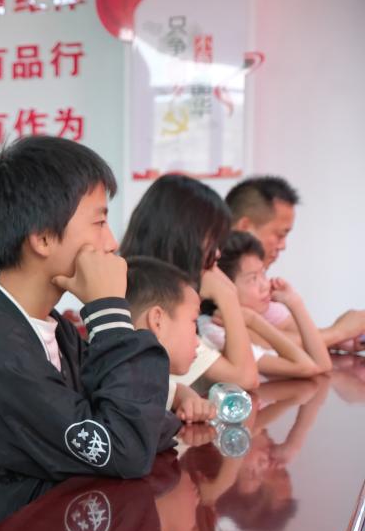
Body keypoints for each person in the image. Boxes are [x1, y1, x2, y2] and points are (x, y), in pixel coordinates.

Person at [0, 136, 179, 526]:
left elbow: (144, 425)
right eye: (99, 222)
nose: (111, 243)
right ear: (43, 238)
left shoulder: (53, 328)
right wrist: (108, 310)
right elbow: (127, 447)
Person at [120, 173, 259, 391]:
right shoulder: (157, 304)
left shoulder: (131, 285)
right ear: (183, 238)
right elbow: (245, 379)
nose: (217, 253)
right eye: (212, 242)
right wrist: (228, 296)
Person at [227, 175, 365, 350]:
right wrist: (339, 332)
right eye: (280, 235)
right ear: (245, 227)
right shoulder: (214, 280)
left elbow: (295, 335)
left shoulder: (258, 288)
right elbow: (261, 344)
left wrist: (343, 339)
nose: (283, 246)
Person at [200, 231, 331, 379]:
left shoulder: (260, 311)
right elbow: (309, 367)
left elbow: (323, 364)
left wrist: (295, 303)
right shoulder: (213, 328)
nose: (265, 285)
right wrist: (254, 321)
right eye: (253, 278)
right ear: (223, 283)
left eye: (263, 273)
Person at [125, 256, 215, 423]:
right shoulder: (121, 394)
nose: (197, 341)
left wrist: (187, 398)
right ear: (157, 321)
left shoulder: (140, 381)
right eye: (194, 321)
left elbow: (174, 391)